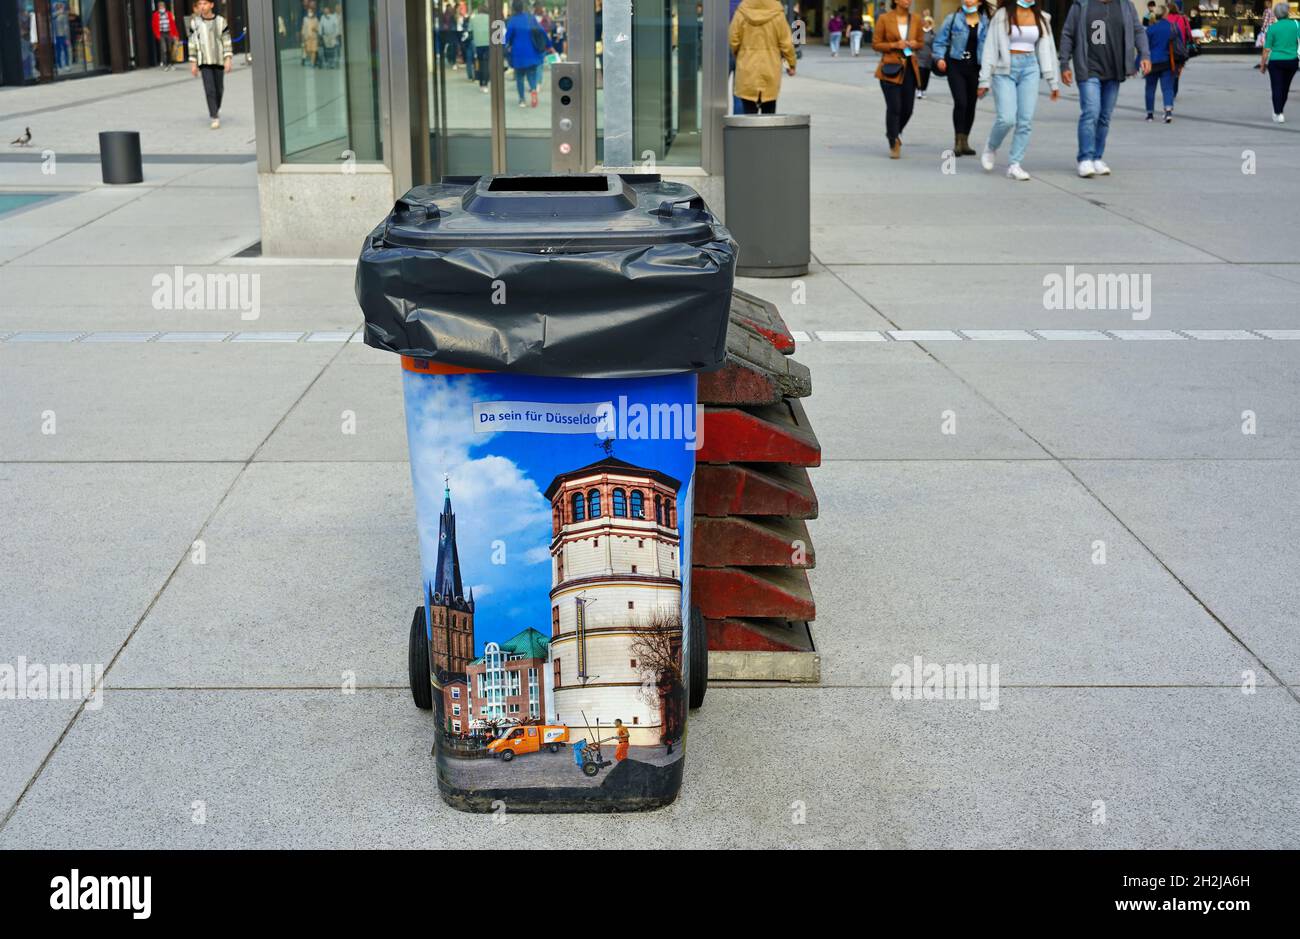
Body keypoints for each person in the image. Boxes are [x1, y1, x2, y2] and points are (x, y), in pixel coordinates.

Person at [1059, 0, 1151, 178]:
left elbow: (1138, 30)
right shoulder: (1081, 5)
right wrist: (1064, 63)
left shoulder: (1125, 5)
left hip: (1114, 69)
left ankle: (1096, 157)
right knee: (1091, 111)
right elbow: (1067, 34)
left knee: (1104, 116)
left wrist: (1144, 54)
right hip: (1089, 68)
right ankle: (1085, 158)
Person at [977, 0, 1060, 180]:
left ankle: (1015, 164)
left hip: (1030, 68)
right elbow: (990, 49)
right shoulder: (1001, 16)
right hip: (1003, 69)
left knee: (1025, 120)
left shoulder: (1042, 18)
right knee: (1006, 118)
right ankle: (991, 146)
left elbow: (1048, 50)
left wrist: (1053, 80)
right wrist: (984, 80)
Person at [933, 1, 990, 157]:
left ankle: (965, 140)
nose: (967, 1)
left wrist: (989, 71)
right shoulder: (952, 19)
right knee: (961, 102)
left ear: (979, 2)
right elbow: (940, 41)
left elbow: (990, 48)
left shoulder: (986, 22)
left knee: (971, 104)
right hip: (955, 66)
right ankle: (957, 141)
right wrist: (939, 58)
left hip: (976, 68)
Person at [729, 0, 797, 114]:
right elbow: (786, 43)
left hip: (747, 67)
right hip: (770, 68)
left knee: (748, 112)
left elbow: (733, 38)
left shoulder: (741, 12)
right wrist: (791, 64)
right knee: (769, 112)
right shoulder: (777, 13)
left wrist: (739, 54)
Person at [874, 0, 923, 159]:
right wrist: (895, 44)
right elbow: (876, 44)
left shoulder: (916, 19)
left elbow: (921, 43)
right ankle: (893, 142)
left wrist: (915, 44)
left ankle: (894, 132)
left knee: (908, 109)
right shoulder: (884, 18)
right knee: (894, 107)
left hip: (909, 68)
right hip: (890, 68)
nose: (907, 1)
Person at [188, 0, 234, 130]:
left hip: (219, 60)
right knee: (210, 89)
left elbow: (226, 40)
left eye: (205, 3)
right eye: (200, 4)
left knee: (219, 89)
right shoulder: (194, 23)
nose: (202, 7)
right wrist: (193, 63)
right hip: (204, 62)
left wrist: (228, 59)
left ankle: (215, 108)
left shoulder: (221, 21)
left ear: (211, 5)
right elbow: (192, 44)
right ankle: (214, 116)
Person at [505, 0, 550, 108]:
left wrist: (503, 47)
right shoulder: (531, 18)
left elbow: (506, 38)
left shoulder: (513, 20)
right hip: (532, 53)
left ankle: (522, 100)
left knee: (519, 77)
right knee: (532, 75)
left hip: (518, 54)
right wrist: (549, 45)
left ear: (514, 8)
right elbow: (542, 32)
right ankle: (533, 91)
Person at [1144, 8, 1185, 122]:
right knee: (1167, 88)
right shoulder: (1173, 27)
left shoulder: (1150, 29)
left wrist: (1138, 63)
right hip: (1168, 61)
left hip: (1152, 62)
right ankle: (1168, 112)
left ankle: (1150, 114)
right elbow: (1180, 43)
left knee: (1150, 88)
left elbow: (1144, 47)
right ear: (1166, 14)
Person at [1261, 2, 1300, 123]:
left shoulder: (1273, 28)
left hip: (1276, 61)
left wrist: (1263, 65)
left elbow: (1266, 49)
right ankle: (1280, 110)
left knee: (1276, 87)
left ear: (1276, 15)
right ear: (1287, 12)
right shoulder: (1296, 25)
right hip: (1292, 60)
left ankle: (1278, 112)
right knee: (1285, 87)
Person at [469, 4, 492, 92]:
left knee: (480, 63)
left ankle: (481, 82)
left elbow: (470, 31)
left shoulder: (473, 19)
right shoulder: (490, 18)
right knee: (486, 64)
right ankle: (485, 84)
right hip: (488, 43)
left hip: (477, 44)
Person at [153, 2, 178, 70]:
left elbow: (173, 24)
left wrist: (175, 34)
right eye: (160, 6)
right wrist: (157, 35)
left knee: (170, 48)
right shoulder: (155, 15)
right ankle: (166, 64)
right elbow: (154, 26)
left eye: (162, 6)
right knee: (164, 49)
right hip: (161, 34)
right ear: (158, 7)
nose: (161, 7)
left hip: (169, 33)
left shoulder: (169, 14)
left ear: (164, 6)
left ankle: (171, 64)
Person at [915, 12, 935, 99]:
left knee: (926, 74)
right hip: (919, 57)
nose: (926, 24)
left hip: (929, 58)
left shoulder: (932, 33)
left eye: (928, 22)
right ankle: (919, 89)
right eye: (925, 22)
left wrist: (934, 53)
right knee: (920, 74)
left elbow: (935, 45)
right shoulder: (919, 32)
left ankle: (923, 90)